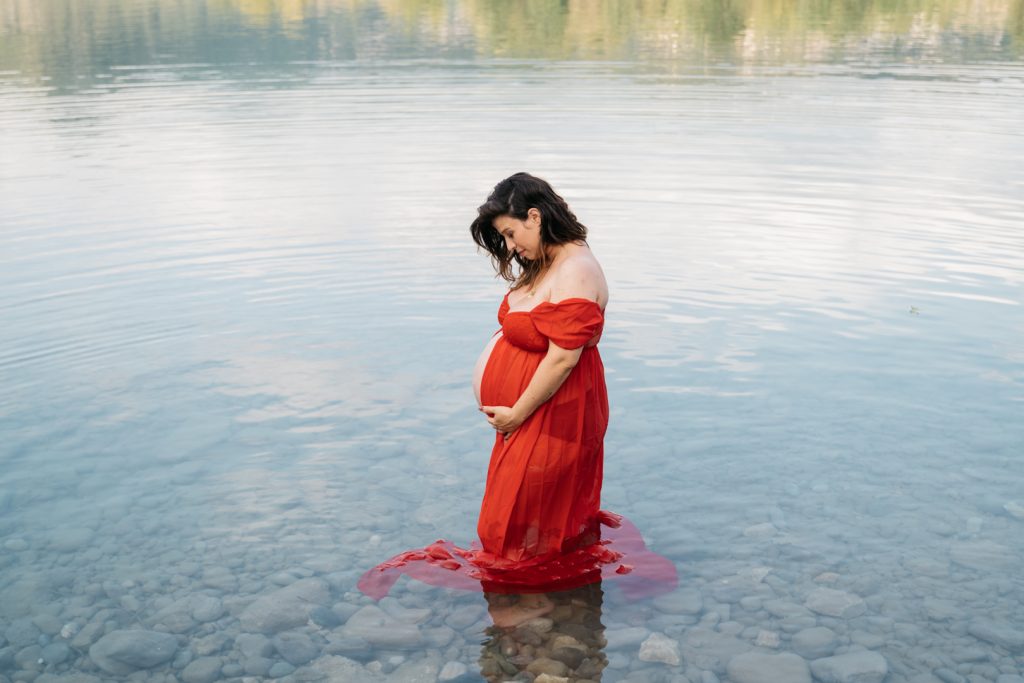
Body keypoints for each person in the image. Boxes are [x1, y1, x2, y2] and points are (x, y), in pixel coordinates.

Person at [357, 173, 676, 619]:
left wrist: (517, 413)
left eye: (510, 233)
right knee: (526, 511)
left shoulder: (577, 269)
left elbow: (563, 360)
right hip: (528, 411)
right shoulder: (550, 262)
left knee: (519, 511)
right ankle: (547, 611)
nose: (509, 247)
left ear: (535, 215)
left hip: (553, 409)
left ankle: (531, 616)